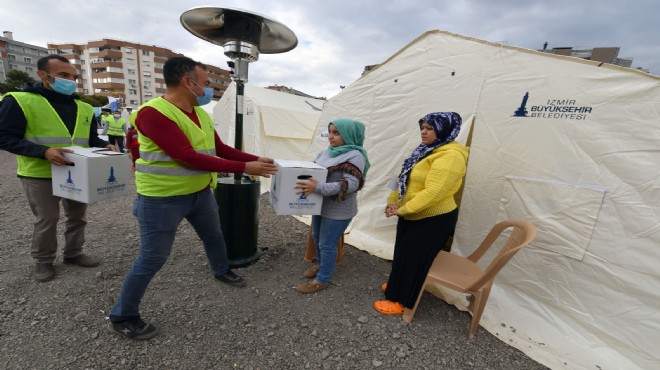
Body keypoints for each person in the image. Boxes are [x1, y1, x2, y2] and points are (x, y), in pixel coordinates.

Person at [107, 56, 278, 340]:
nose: (209, 89)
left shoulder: (199, 113)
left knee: (214, 236)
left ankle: (221, 270)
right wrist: (246, 168)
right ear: (188, 82)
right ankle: (123, 315)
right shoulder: (153, 113)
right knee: (152, 257)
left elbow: (220, 148)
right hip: (161, 199)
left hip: (199, 193)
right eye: (207, 83)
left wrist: (255, 158)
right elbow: (187, 157)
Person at [0, 54, 115, 282]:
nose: (70, 81)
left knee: (78, 217)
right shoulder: (20, 100)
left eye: (73, 76)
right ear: (43, 75)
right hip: (39, 173)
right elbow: (4, 137)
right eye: (63, 75)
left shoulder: (83, 107)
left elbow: (91, 140)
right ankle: (43, 261)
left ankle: (73, 254)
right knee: (47, 219)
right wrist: (43, 152)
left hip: (77, 171)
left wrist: (106, 146)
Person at [374, 112, 468, 315]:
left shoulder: (451, 156)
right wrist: (392, 201)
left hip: (432, 218)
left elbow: (434, 193)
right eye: (422, 127)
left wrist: (403, 209)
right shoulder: (424, 150)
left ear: (444, 130)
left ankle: (401, 300)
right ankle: (396, 287)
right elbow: (401, 177)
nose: (423, 132)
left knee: (414, 259)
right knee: (402, 253)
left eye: (429, 128)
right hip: (411, 213)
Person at [294, 119, 369, 294]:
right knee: (317, 237)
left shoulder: (355, 156)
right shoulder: (327, 152)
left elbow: (351, 185)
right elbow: (315, 171)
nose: (331, 137)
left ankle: (323, 279)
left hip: (338, 210)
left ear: (349, 135)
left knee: (327, 244)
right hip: (320, 204)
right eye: (330, 132)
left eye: (337, 133)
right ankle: (321, 265)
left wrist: (317, 187)